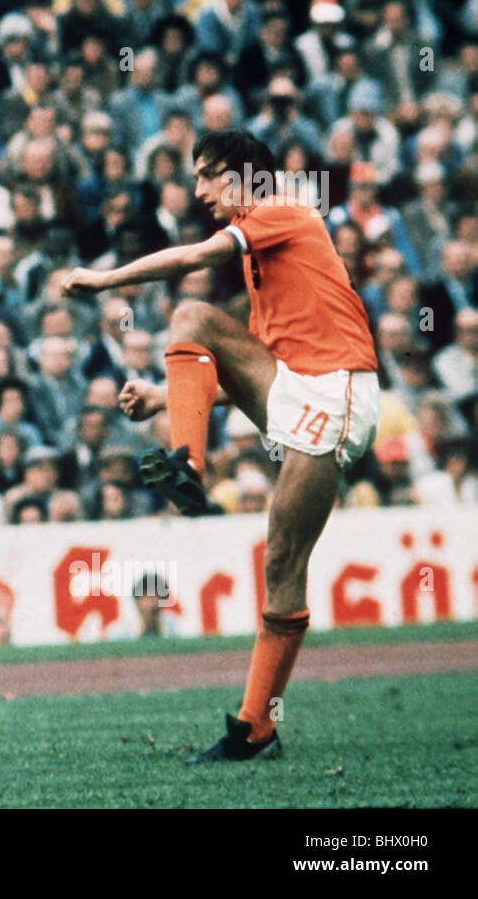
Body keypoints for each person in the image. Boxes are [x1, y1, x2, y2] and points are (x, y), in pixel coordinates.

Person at [62, 129, 380, 764]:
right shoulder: (267, 269)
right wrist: (163, 394)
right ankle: (256, 730)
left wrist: (104, 281)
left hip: (338, 394)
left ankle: (186, 463)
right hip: (302, 391)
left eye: (209, 175)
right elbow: (245, 370)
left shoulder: (282, 208)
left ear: (245, 174)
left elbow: (189, 262)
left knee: (192, 313)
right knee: (281, 564)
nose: (199, 189)